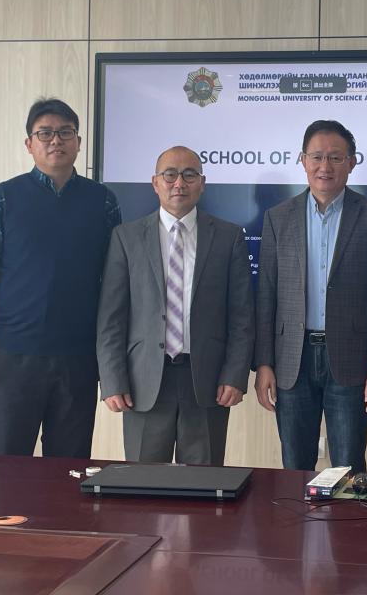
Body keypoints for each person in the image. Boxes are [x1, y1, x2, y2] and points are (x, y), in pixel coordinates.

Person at [0, 98, 121, 458]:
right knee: (7, 465)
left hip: (79, 358)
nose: (56, 140)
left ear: (79, 142)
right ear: (29, 144)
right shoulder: (1, 199)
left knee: (69, 469)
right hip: (13, 357)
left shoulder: (103, 201)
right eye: (45, 133)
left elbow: (115, 284)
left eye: (65, 132)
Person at [254, 120, 367, 474]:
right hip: (292, 360)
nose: (325, 166)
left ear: (352, 162)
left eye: (336, 157)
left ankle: (345, 516)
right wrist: (263, 363)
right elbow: (267, 294)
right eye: (317, 156)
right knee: (294, 468)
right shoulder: (277, 218)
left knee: (348, 468)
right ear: (302, 160)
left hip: (351, 359)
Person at [96, 146, 254, 465]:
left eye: (189, 175)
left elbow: (241, 317)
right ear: (155, 183)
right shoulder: (126, 238)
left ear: (202, 183)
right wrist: (113, 380)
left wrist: (235, 375)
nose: (179, 183)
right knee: (143, 483)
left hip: (207, 381)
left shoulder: (229, 237)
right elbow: (111, 318)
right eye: (170, 175)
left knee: (204, 484)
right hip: (143, 381)